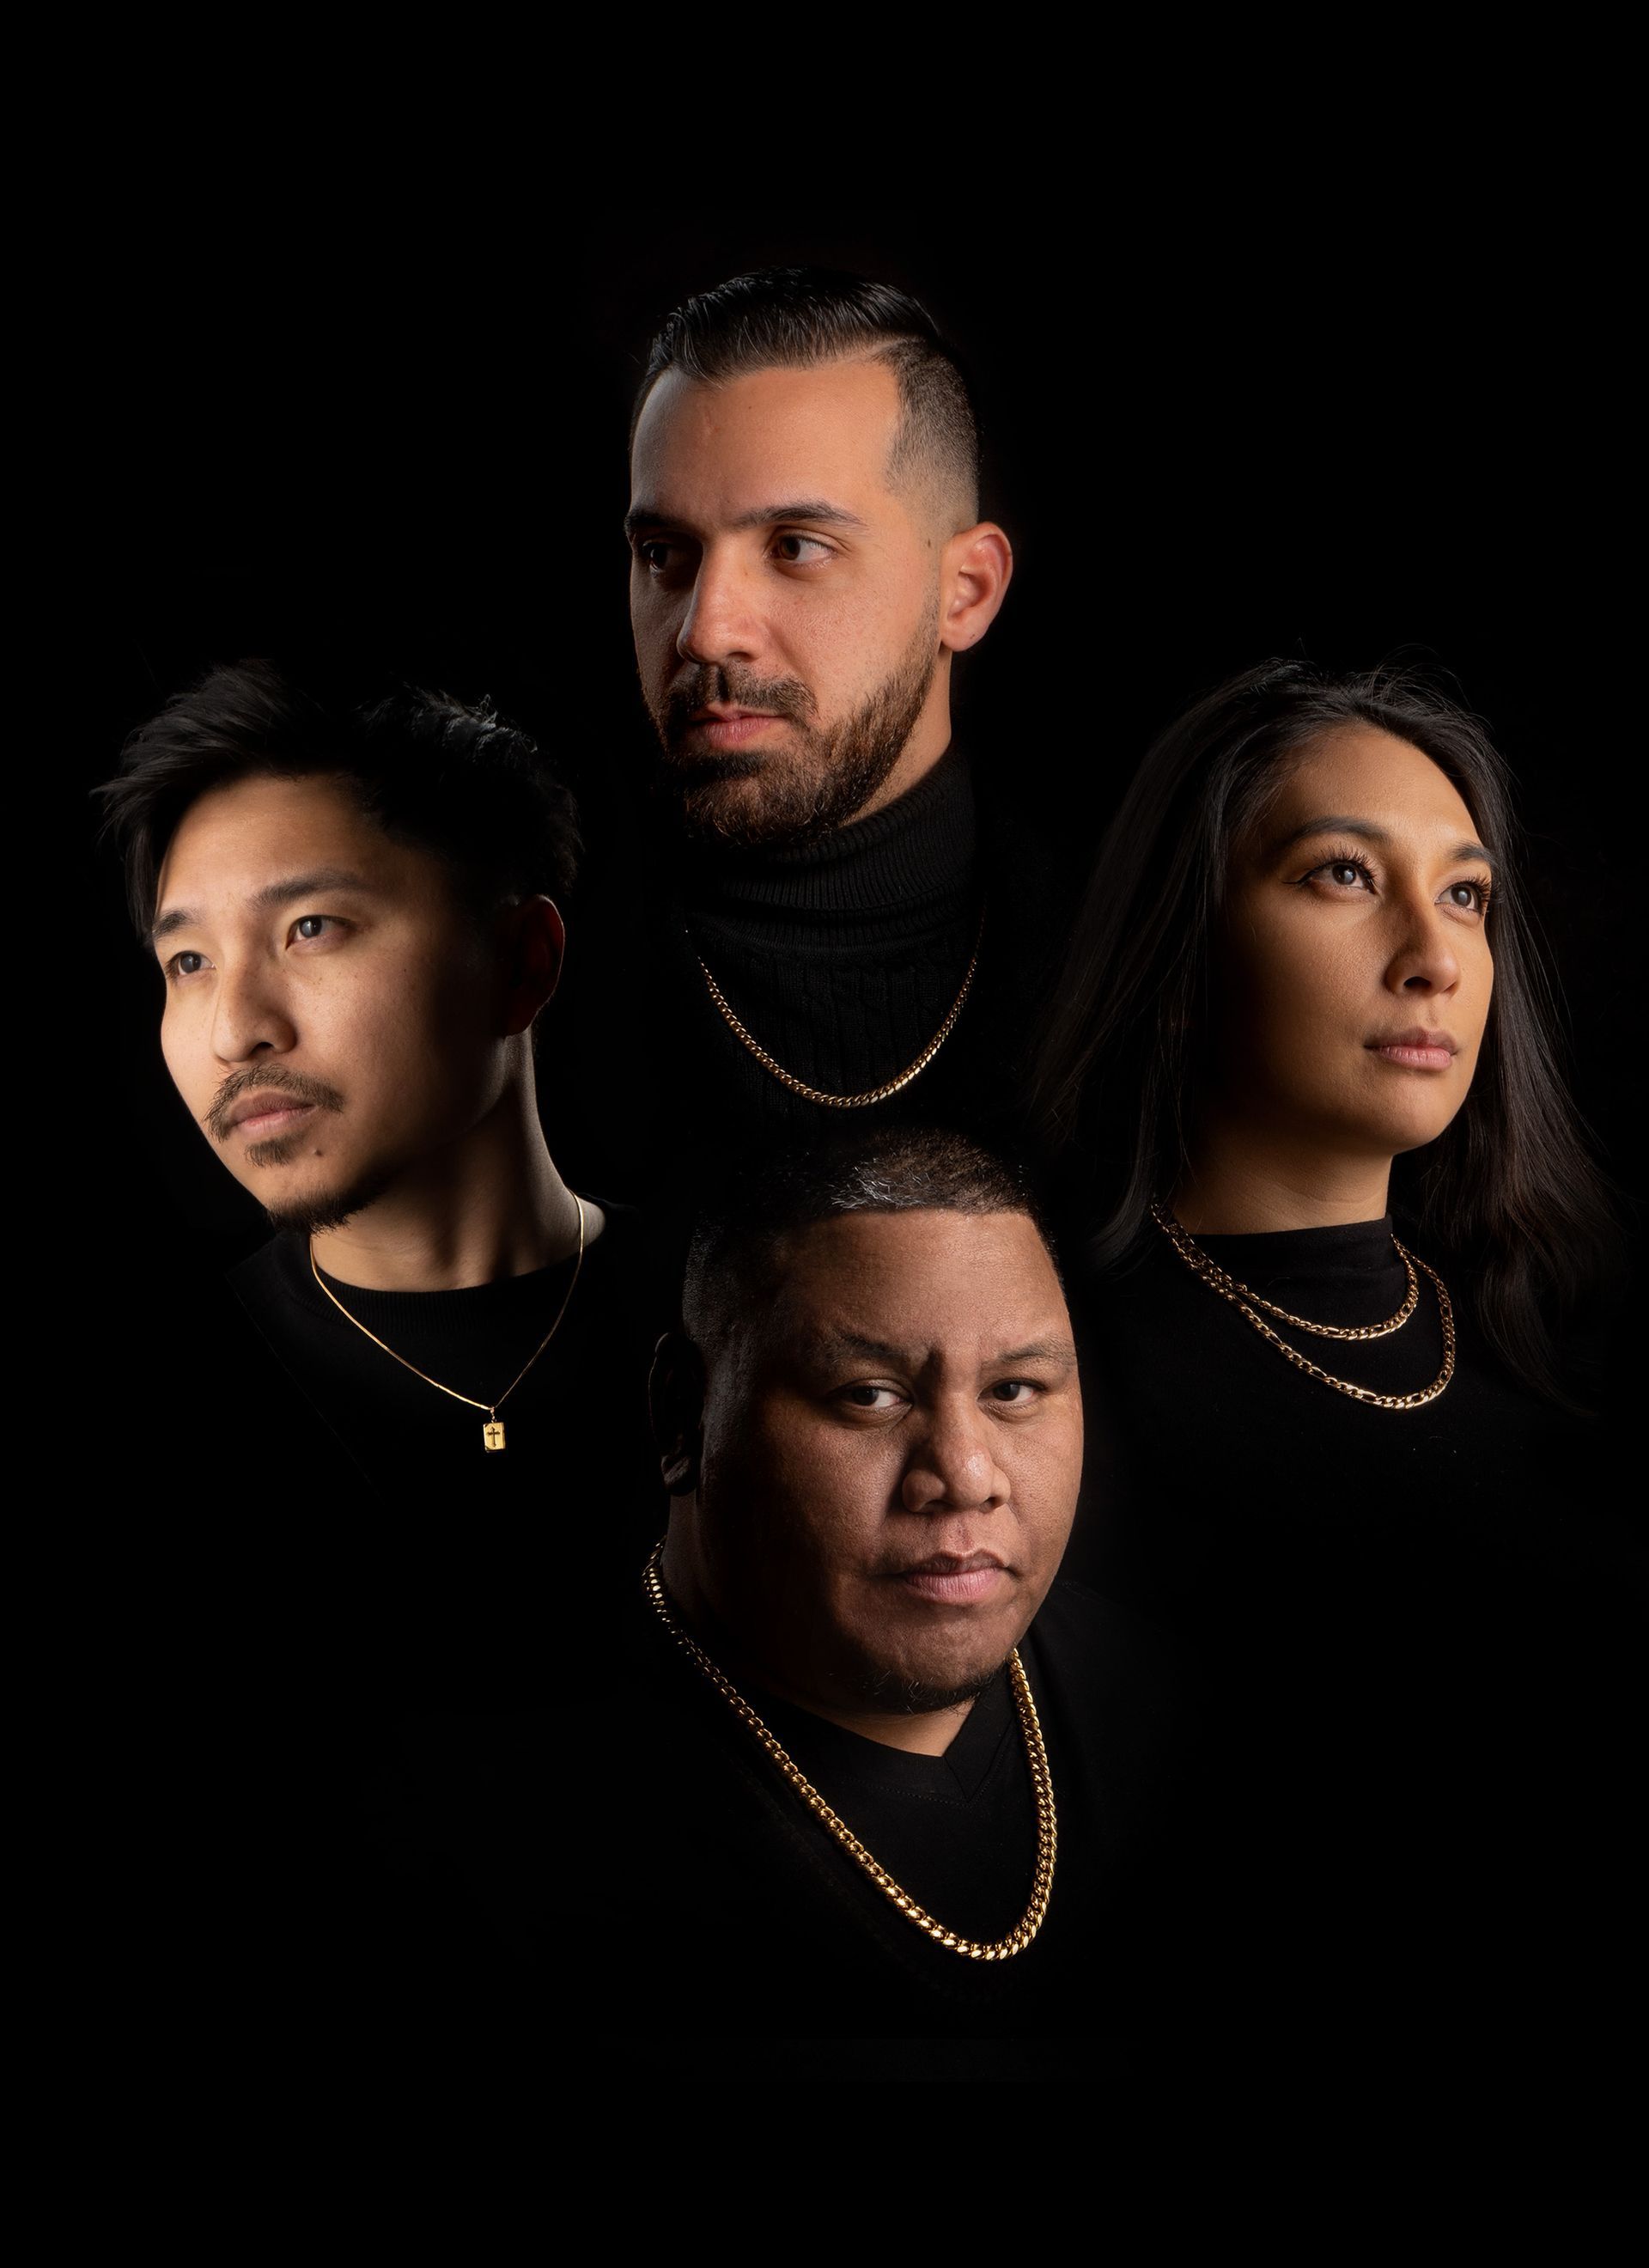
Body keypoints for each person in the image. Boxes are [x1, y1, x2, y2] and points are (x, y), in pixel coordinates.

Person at [1031, 657, 1640, 2030]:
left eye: (1467, 894)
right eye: (1344, 876)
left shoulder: (1558, 1335)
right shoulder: (1051, 1370)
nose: (1434, 953)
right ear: (1184, 953)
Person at [591, 1127, 1193, 2060]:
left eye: (1016, 1390)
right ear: (683, 1416)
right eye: (869, 1396)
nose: (963, 1475)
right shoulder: (512, 1827)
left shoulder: (1175, 1721)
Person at [96, 661, 662, 1560]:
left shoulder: (741, 1322)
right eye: (190, 963)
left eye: (311, 928)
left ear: (523, 964)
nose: (236, 1032)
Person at [615, 266, 1067, 1193]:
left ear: (966, 591)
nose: (704, 628)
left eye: (796, 548)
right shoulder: (517, 984)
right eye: (665, 555)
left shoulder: (1122, 982)